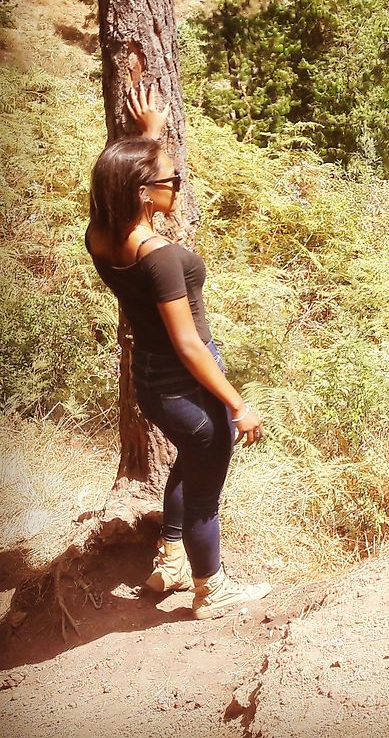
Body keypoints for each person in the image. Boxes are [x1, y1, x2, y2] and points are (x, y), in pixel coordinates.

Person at [85, 83, 271, 619]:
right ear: (145, 193)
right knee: (205, 488)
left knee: (189, 462)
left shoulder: (101, 233)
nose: (177, 185)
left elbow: (114, 174)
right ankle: (210, 589)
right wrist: (237, 403)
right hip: (187, 382)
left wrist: (147, 137)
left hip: (151, 379)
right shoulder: (159, 256)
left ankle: (168, 557)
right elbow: (188, 342)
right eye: (171, 179)